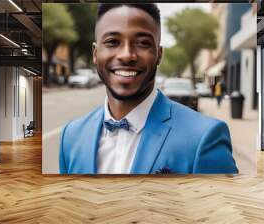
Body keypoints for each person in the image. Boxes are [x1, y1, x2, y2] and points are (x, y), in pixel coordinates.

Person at [59, 3, 238, 174]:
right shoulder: (71, 136)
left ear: (159, 55)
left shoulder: (204, 137)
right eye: (113, 42)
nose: (127, 55)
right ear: (95, 54)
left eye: (143, 43)